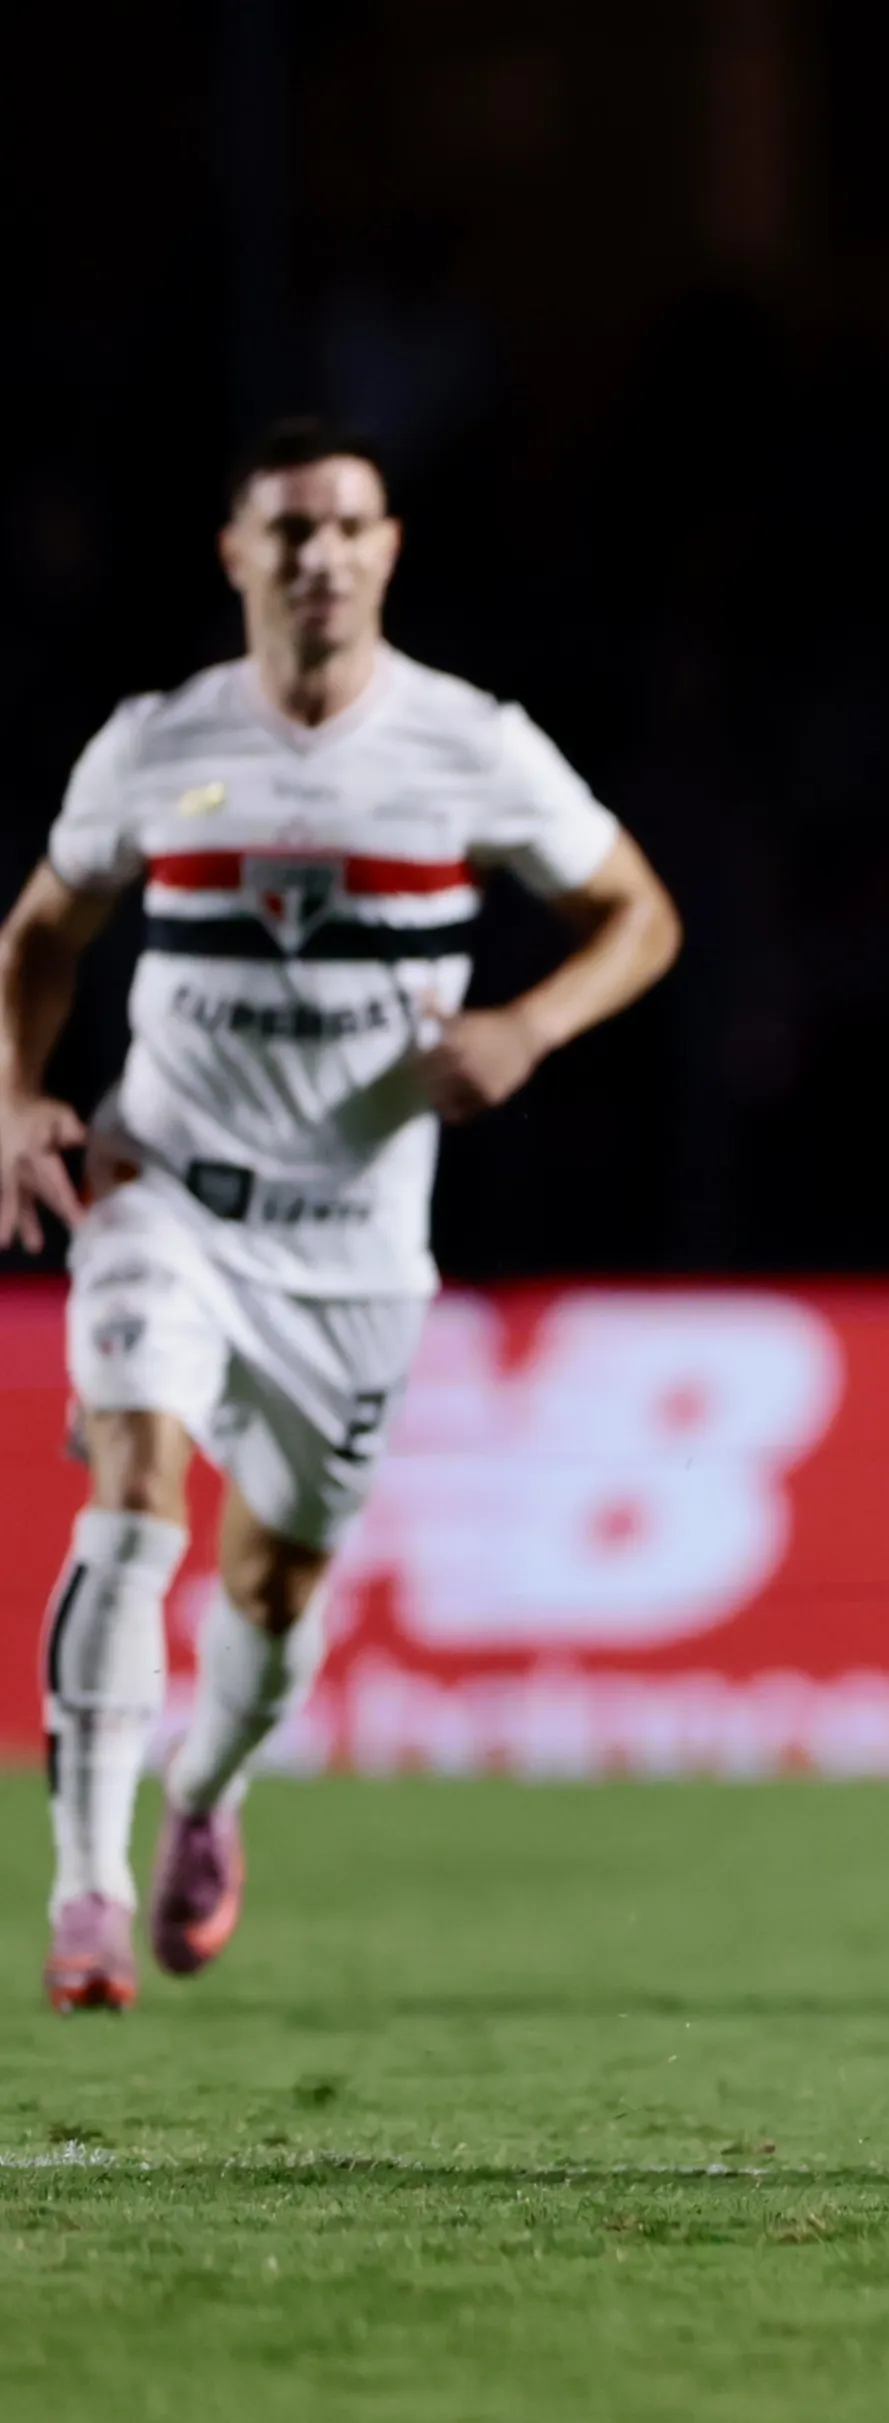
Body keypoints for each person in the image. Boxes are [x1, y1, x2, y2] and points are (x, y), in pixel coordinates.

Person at [6, 417, 684, 2012]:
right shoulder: (155, 742)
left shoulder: (470, 745)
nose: (321, 555)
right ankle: (87, 1891)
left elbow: (638, 915)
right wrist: (19, 1092)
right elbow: (41, 931)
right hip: (163, 1192)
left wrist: (527, 1026)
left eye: (349, 527)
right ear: (237, 554)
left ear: (388, 551)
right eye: (291, 529)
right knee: (132, 1491)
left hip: (354, 1246)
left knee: (272, 1588)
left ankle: (208, 1789)